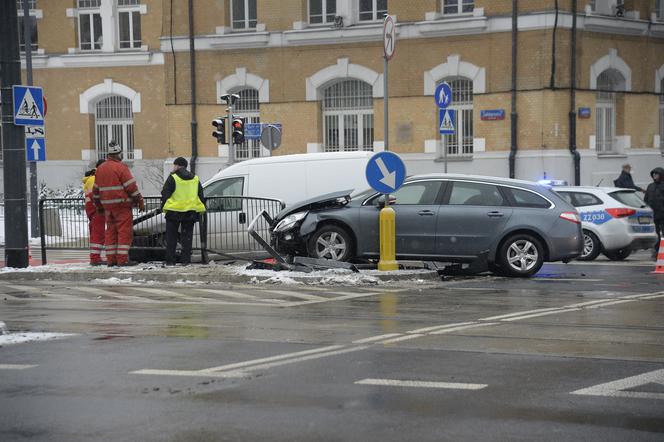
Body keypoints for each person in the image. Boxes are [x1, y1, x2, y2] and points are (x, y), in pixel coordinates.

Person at [92, 141, 145, 266]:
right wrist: (139, 200)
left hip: (107, 208)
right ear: (118, 154)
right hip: (122, 206)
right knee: (124, 232)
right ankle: (122, 260)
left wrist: (99, 207)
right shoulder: (121, 167)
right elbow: (131, 186)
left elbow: (95, 191)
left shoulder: (100, 169)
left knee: (111, 233)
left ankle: (111, 260)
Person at [161, 157, 206, 266]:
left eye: (174, 165)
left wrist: (163, 206)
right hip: (190, 212)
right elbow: (200, 195)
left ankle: (170, 261)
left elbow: (165, 193)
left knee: (171, 238)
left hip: (173, 211)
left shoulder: (173, 177)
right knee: (187, 238)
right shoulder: (195, 178)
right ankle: (186, 261)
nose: (173, 167)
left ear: (178, 166)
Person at [82, 159, 106, 266]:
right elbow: (95, 196)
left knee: (96, 234)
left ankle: (95, 257)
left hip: (92, 210)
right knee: (98, 234)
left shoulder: (92, 178)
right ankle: (95, 258)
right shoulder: (94, 179)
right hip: (96, 209)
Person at [644, 167, 664, 259]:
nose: (655, 175)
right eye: (654, 174)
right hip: (653, 214)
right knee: (655, 234)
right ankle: (657, 251)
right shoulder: (650, 186)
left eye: (657, 174)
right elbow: (646, 199)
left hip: (662, 214)